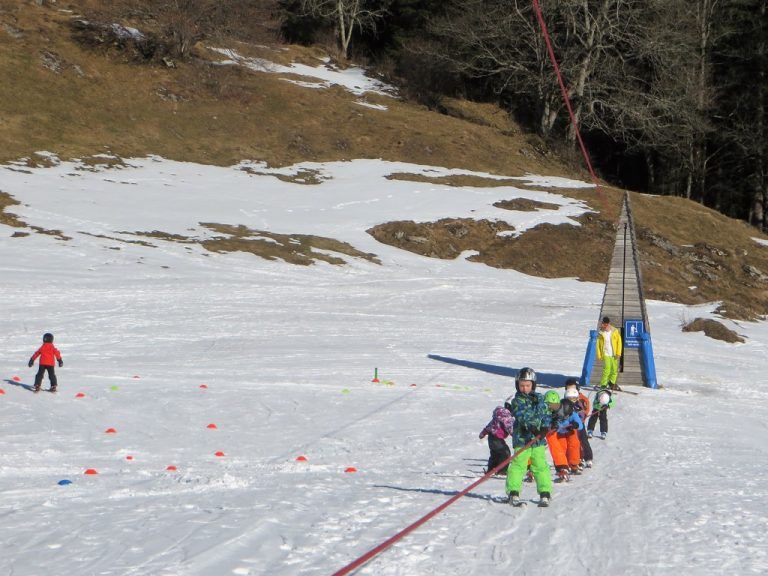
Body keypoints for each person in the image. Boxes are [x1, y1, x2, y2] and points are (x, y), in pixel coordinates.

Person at [504, 367, 553, 507]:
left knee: (540, 465)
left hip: (538, 441)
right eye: (521, 385)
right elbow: (520, 414)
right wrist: (530, 426)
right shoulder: (517, 400)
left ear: (533, 385)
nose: (524, 388)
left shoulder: (540, 399)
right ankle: (513, 491)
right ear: (517, 385)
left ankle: (545, 492)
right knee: (518, 465)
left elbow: (546, 414)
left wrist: (544, 427)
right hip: (522, 439)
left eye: (527, 385)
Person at [543, 389, 583, 482]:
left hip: (569, 431)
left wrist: (575, 424)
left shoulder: (572, 413)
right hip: (560, 433)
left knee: (574, 443)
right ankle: (562, 466)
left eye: (566, 415)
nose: (565, 417)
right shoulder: (551, 413)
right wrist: (555, 426)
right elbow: (550, 423)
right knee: (560, 447)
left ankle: (574, 463)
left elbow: (580, 425)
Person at [564, 378, 593, 468]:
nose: (571, 390)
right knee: (571, 442)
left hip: (579, 424)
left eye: (573, 388)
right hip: (569, 425)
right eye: (568, 388)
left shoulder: (581, 399)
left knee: (583, 440)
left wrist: (580, 414)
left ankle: (588, 457)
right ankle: (574, 458)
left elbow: (585, 410)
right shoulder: (565, 399)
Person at [479, 406, 515, 475]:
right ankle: (502, 470)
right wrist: (515, 436)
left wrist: (483, 433)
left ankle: (491, 469)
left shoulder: (497, 416)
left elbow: (489, 426)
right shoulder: (507, 417)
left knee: (494, 454)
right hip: (497, 439)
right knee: (505, 453)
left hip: (491, 438)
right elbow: (510, 428)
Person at [597, 316, 622, 389]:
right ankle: (603, 384)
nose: (605, 326)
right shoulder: (601, 333)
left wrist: (618, 353)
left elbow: (619, 342)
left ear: (608, 324)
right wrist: (599, 355)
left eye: (606, 325)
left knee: (614, 369)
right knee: (607, 369)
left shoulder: (615, 331)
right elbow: (598, 345)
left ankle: (612, 383)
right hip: (606, 354)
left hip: (614, 354)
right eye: (603, 324)